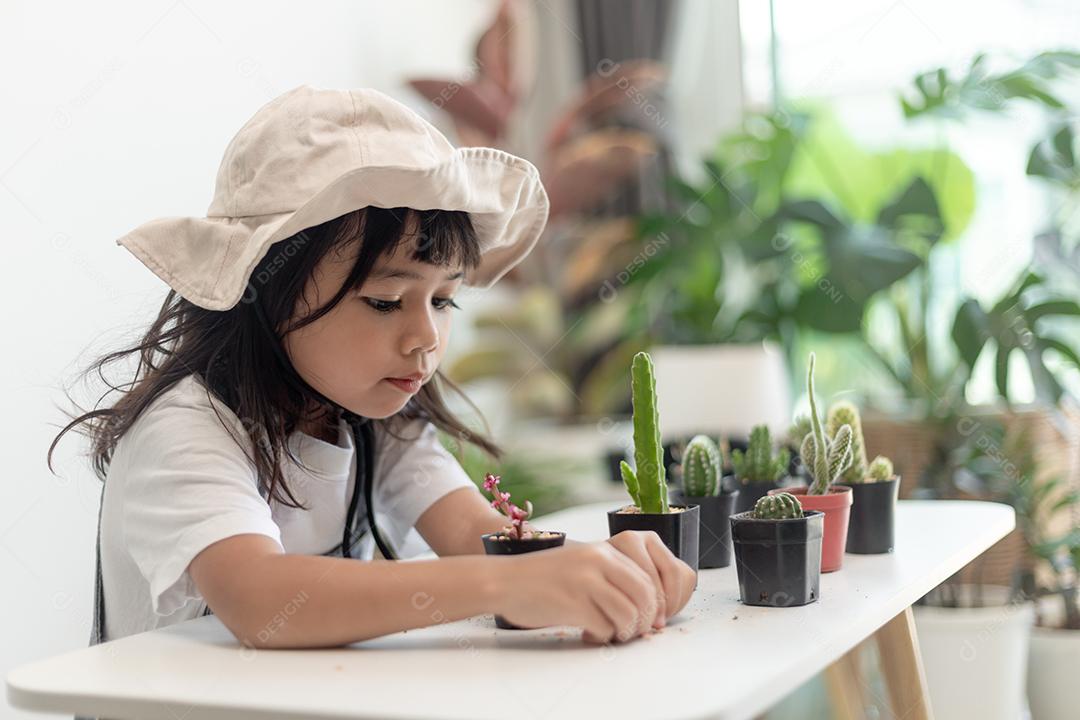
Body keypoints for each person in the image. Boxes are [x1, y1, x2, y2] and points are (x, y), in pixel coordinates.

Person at [48, 85, 696, 650]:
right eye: (385, 301)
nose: (425, 338)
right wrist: (510, 581)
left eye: (443, 299)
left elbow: (476, 534)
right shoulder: (187, 428)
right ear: (266, 291)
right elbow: (261, 599)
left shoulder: (375, 417)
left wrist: (602, 568)